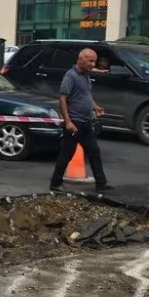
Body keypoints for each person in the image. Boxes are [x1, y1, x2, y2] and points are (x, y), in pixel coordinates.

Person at [49, 48, 115, 194]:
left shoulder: (85, 76)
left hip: (86, 122)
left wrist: (96, 107)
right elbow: (62, 99)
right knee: (67, 153)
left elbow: (86, 95)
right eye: (90, 61)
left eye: (94, 61)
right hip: (75, 122)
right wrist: (68, 121)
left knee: (94, 151)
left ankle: (101, 183)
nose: (93, 64)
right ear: (81, 59)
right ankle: (55, 183)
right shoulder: (70, 76)